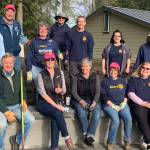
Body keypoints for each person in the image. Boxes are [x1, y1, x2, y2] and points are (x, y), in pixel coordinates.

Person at [36, 52, 75, 150]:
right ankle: (67, 138)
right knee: (57, 113)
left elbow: (65, 90)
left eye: (52, 59)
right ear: (44, 62)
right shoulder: (40, 75)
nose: (50, 61)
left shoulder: (60, 72)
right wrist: (56, 106)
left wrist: (61, 90)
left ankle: (54, 147)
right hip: (43, 103)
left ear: (55, 61)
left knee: (55, 118)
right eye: (47, 60)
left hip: (57, 102)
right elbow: (43, 94)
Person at [0, 53, 35, 150]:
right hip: (2, 107)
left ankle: (17, 140)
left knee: (31, 120)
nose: (8, 65)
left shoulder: (18, 73)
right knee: (2, 125)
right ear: (2, 63)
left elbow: (22, 89)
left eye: (10, 63)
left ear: (13, 63)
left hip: (16, 105)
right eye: (6, 63)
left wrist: (24, 100)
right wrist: (6, 112)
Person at [101, 62, 132, 150]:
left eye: (115, 70)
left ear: (118, 71)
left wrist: (125, 100)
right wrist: (112, 105)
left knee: (128, 119)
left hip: (122, 104)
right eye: (111, 70)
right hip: (109, 105)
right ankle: (110, 142)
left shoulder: (122, 81)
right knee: (116, 120)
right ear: (109, 71)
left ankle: (127, 141)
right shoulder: (105, 81)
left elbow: (126, 93)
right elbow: (103, 96)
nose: (113, 72)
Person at [71, 58, 101, 146]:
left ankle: (89, 135)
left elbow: (98, 92)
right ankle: (87, 134)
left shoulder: (95, 76)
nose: (84, 68)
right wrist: (80, 101)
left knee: (97, 114)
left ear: (90, 67)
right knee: (81, 113)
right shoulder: (76, 77)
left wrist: (95, 102)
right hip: (79, 99)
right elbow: (74, 92)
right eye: (83, 66)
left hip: (93, 100)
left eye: (87, 66)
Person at [127, 62, 150, 150]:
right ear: (140, 68)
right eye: (143, 67)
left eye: (148, 69)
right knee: (141, 116)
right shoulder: (134, 79)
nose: (145, 70)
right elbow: (130, 94)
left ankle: (146, 138)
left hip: (149, 104)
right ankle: (148, 140)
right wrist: (143, 103)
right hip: (137, 104)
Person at [0, 4, 28, 70]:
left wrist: (28, 41)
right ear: (5, 12)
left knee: (16, 77)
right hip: (4, 57)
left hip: (16, 56)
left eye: (12, 12)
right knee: (4, 78)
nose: (10, 14)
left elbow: (21, 37)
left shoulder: (17, 24)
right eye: (8, 11)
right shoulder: (0, 23)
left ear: (14, 13)